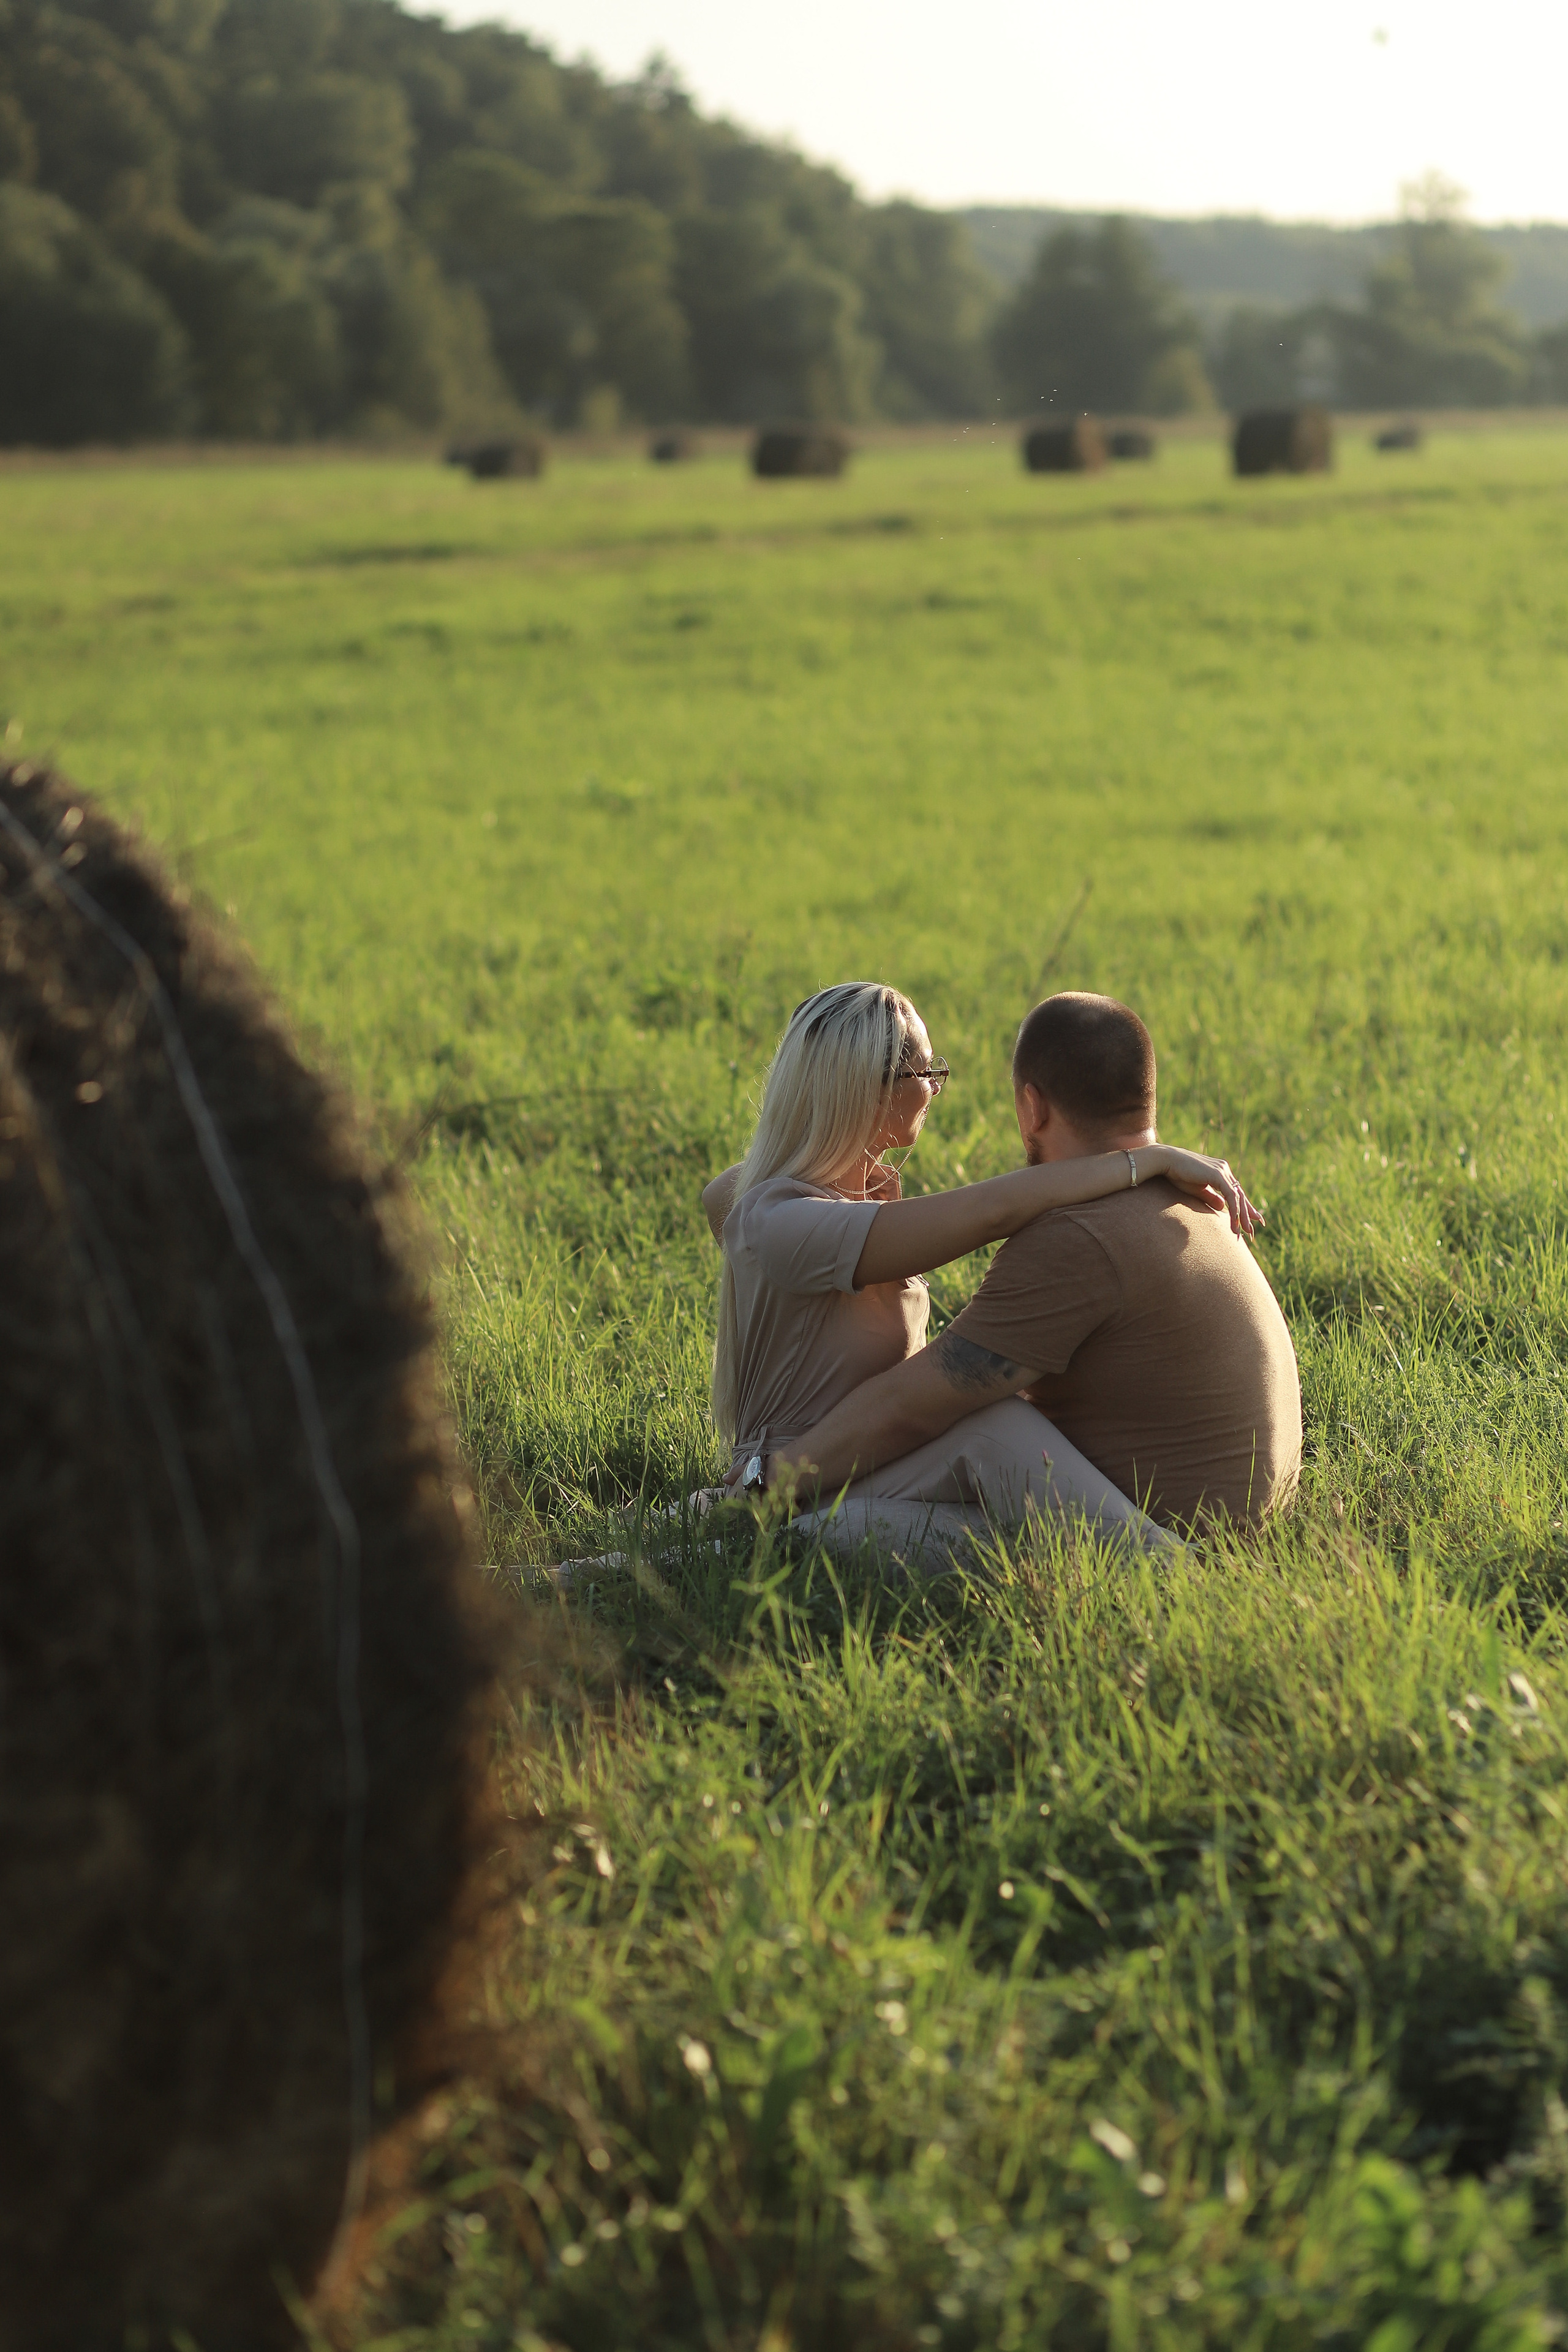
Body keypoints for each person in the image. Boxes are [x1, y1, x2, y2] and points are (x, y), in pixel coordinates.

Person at [704, 981, 1261, 1558]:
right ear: (868, 1088)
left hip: (870, 1461)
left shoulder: (809, 1211)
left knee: (1000, 1446)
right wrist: (1150, 1159)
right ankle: (1171, 1567)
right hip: (810, 1474)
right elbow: (990, 1210)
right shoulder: (784, 1223)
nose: (934, 1090)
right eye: (927, 1072)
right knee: (991, 1428)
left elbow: (725, 1194)